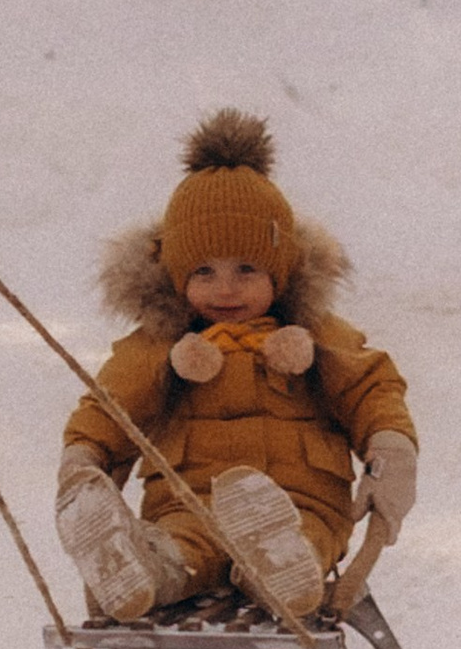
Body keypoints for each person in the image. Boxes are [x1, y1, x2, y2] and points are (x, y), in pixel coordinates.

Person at [54, 109, 417, 621]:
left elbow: (370, 387)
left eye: (247, 269)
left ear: (282, 272)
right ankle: (139, 568)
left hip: (301, 502)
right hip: (189, 503)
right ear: (177, 277)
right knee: (181, 546)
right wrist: (84, 457)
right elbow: (111, 404)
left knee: (300, 538)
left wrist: (390, 446)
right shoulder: (160, 347)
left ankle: (282, 570)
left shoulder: (318, 338)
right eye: (204, 271)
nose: (225, 288)